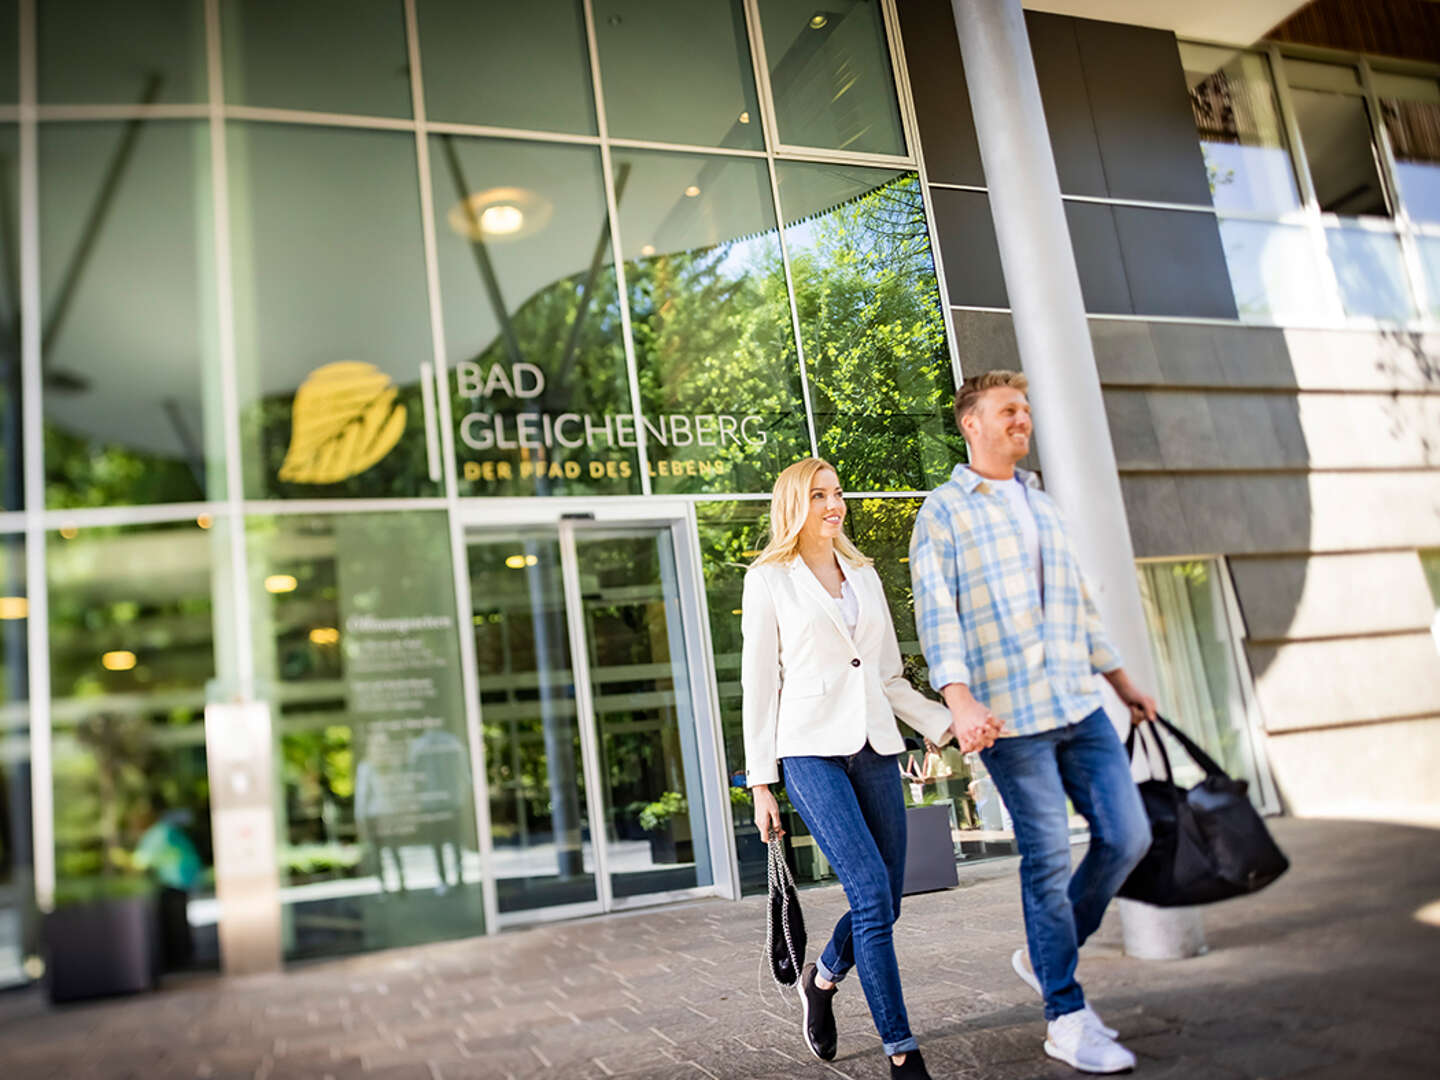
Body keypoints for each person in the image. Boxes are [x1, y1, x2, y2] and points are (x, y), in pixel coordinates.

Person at [910, 371, 1158, 1075]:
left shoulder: (1041, 503)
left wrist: (1121, 681)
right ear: (971, 424)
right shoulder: (945, 511)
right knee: (1048, 856)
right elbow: (938, 615)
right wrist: (958, 700)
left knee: (1129, 834)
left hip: (1079, 706)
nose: (1023, 420)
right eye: (1008, 410)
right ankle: (1066, 1014)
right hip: (1009, 718)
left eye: (1025, 410)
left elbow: (1077, 603)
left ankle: (1044, 953)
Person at [743, 457, 990, 1080]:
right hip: (808, 752)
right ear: (795, 504)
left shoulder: (864, 575)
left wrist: (945, 725)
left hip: (877, 747)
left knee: (888, 901)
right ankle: (902, 1053)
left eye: (838, 493)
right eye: (820, 495)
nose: (835, 504)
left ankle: (822, 981)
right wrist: (761, 782)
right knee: (871, 894)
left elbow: (885, 677)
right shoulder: (769, 579)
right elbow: (759, 685)